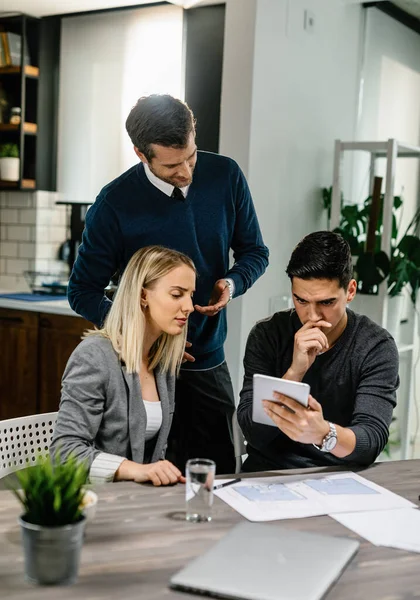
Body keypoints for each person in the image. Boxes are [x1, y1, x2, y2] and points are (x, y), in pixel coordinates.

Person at [67, 94, 269, 474]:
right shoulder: (114, 204)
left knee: (221, 475)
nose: (188, 172)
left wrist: (232, 282)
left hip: (207, 361)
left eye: (191, 156)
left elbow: (255, 252)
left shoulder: (226, 175)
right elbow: (81, 292)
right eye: (173, 165)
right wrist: (143, 332)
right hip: (144, 369)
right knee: (150, 475)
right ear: (142, 154)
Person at [237, 231, 399, 472]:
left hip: (340, 477)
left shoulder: (376, 346)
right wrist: (294, 373)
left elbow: (370, 441)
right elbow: (253, 432)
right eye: (301, 301)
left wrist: (324, 433)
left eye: (326, 302)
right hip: (268, 473)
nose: (312, 316)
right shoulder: (267, 335)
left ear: (350, 291)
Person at [51, 245, 196, 486]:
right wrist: (136, 470)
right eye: (177, 294)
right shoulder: (94, 356)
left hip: (136, 502)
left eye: (191, 295)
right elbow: (65, 454)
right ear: (142, 295)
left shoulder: (162, 361)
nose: (189, 306)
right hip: (93, 501)